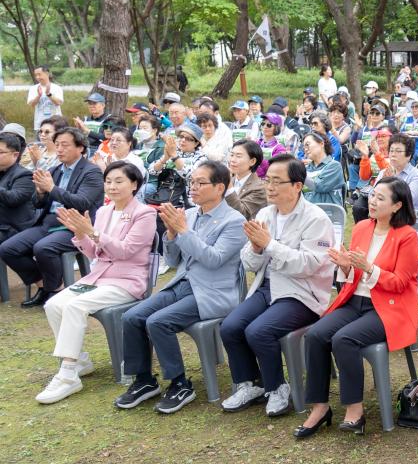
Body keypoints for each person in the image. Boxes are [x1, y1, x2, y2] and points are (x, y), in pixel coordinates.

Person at [115, 161, 247, 413]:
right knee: (132, 317)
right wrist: (172, 235)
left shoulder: (234, 220)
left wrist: (184, 231)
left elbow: (214, 260)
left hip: (212, 291)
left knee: (158, 322)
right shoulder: (189, 214)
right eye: (191, 182)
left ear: (219, 187)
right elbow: (174, 261)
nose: (193, 188)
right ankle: (144, 380)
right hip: (183, 283)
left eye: (200, 183)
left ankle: (180, 384)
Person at [296, 179, 418, 438]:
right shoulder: (363, 227)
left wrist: (369, 268)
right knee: (316, 335)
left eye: (381, 198)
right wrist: (345, 265)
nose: (372, 202)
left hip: (387, 308)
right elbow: (353, 277)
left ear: (397, 205)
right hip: (355, 301)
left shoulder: (407, 236)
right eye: (372, 196)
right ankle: (319, 407)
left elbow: (400, 283)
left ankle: (355, 410)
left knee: (344, 339)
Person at [219, 155, 335, 417]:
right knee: (230, 327)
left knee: (259, 331)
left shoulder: (316, 219)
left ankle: (277, 387)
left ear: (297, 186)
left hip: (302, 293)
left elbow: (308, 266)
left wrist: (269, 245)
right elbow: (249, 263)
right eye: (267, 180)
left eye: (276, 182)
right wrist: (258, 248)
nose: (269, 187)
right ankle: (250, 383)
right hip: (269, 287)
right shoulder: (265, 214)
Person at [33, 162, 156, 404]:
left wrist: (93, 232)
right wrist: (80, 233)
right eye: (108, 181)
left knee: (75, 306)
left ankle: (68, 375)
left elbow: (126, 251)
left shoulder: (145, 214)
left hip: (126, 281)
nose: (112, 186)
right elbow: (94, 253)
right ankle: (79, 360)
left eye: (119, 181)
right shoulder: (104, 212)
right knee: (54, 304)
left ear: (134, 184)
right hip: (98, 277)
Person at [0, 127, 105, 307]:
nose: (59, 149)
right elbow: (39, 204)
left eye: (65, 145)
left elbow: (82, 202)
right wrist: (40, 193)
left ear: (80, 147)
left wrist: (51, 189)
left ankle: (56, 290)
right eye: (57, 144)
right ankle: (44, 285)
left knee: (43, 248)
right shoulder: (57, 170)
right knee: (8, 248)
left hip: (75, 225)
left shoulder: (91, 172)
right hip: (49, 222)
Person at [0, 130, 35, 247]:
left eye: (0, 152)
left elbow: (13, 199)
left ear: (15, 155)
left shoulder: (24, 175)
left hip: (13, 229)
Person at [225, 140, 268, 220]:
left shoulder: (259, 188)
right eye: (232, 155)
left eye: (238, 156)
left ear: (252, 161)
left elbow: (243, 214)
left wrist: (228, 187)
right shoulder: (230, 180)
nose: (232, 160)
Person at [301, 132, 346, 208]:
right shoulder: (306, 169)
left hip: (328, 215)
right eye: (304, 146)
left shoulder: (334, 166)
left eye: (307, 144)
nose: (305, 149)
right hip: (307, 213)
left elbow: (319, 186)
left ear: (321, 144)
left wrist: (298, 172)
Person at [27, 65, 64, 131]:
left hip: (56, 124)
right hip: (40, 124)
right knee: (40, 140)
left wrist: (48, 94)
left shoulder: (57, 87)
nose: (37, 77)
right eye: (36, 75)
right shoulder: (33, 88)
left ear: (47, 73)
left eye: (39, 74)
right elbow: (32, 104)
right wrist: (38, 96)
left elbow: (58, 103)